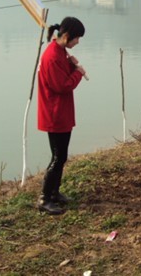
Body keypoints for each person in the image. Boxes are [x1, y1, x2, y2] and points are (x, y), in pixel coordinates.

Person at [37, 17, 87, 215]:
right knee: (58, 157)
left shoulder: (60, 51)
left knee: (61, 155)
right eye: (76, 38)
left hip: (61, 110)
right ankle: (44, 198)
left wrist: (72, 65)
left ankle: (55, 193)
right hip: (54, 112)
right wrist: (78, 73)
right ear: (66, 36)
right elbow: (62, 86)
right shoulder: (52, 56)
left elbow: (63, 74)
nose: (77, 42)